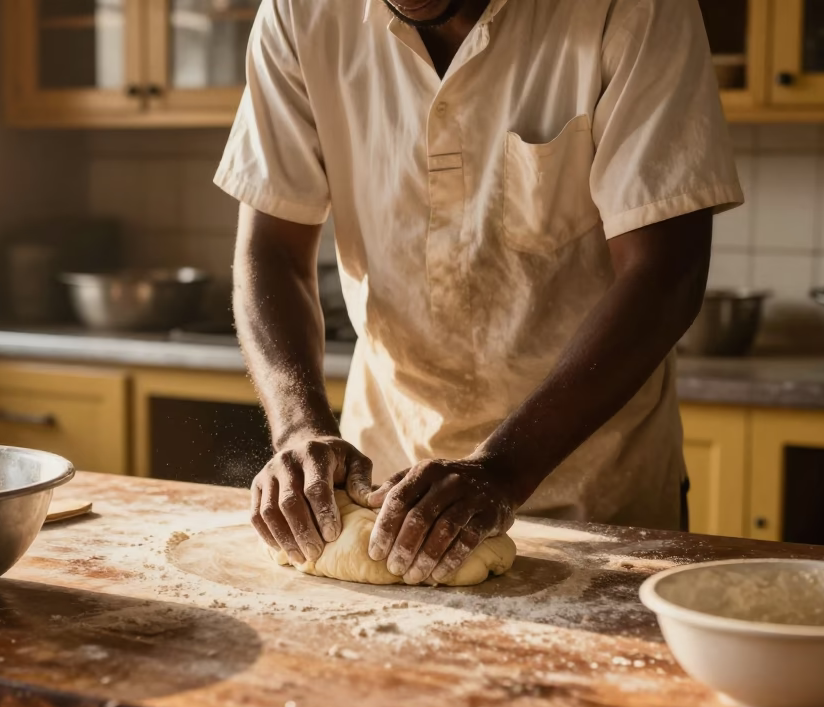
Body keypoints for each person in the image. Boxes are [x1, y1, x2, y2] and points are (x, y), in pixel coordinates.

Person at [215, 0, 743, 586]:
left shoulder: (629, 8)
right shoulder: (300, 13)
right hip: (382, 490)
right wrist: (298, 427)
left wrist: (504, 468)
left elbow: (665, 272)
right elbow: (273, 248)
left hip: (595, 498)